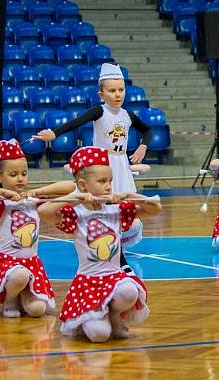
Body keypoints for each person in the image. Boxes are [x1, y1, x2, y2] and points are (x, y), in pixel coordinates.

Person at [33, 63, 152, 274]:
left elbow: (147, 130)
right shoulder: (99, 111)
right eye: (112, 91)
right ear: (101, 93)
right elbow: (76, 122)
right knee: (105, 209)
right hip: (102, 165)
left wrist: (143, 144)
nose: (117, 94)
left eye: (121, 90)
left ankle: (114, 251)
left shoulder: (128, 115)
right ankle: (120, 262)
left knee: (122, 212)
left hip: (121, 165)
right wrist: (54, 133)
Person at [39, 146, 161, 342]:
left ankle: (114, 315)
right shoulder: (76, 215)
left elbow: (155, 209)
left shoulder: (116, 210)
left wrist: (129, 196)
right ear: (83, 185)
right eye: (102, 181)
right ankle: (99, 316)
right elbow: (44, 212)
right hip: (88, 282)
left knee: (129, 291)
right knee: (99, 336)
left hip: (114, 278)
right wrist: (74, 197)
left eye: (110, 181)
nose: (108, 186)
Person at [0, 140, 73, 318]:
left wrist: (37, 192)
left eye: (24, 173)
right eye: (13, 174)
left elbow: (71, 187)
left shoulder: (32, 201)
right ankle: (9, 299)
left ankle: (22, 296)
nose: (20, 178)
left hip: (31, 263)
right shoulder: (0, 203)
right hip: (8, 264)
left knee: (38, 310)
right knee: (19, 276)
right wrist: (4, 193)